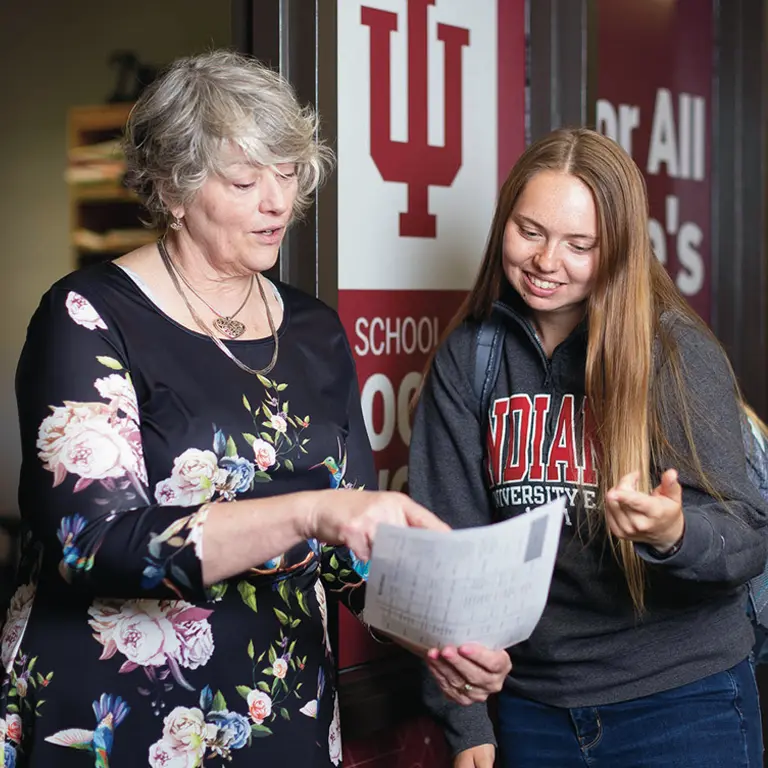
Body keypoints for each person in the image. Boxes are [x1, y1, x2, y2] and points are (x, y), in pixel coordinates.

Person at [2, 50, 450, 767]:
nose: (278, 203)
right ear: (173, 192)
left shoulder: (314, 330)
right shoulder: (88, 315)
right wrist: (309, 511)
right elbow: (92, 545)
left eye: (289, 175)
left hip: (281, 707)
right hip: (118, 718)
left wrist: (442, 637)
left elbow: (348, 552)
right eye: (245, 181)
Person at [409, 127, 768, 767]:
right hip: (532, 708)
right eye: (530, 231)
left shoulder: (675, 354)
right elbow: (449, 554)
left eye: (581, 245)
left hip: (683, 703)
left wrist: (674, 532)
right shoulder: (472, 358)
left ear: (621, 250)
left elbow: (746, 536)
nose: (548, 261)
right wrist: (467, 725)